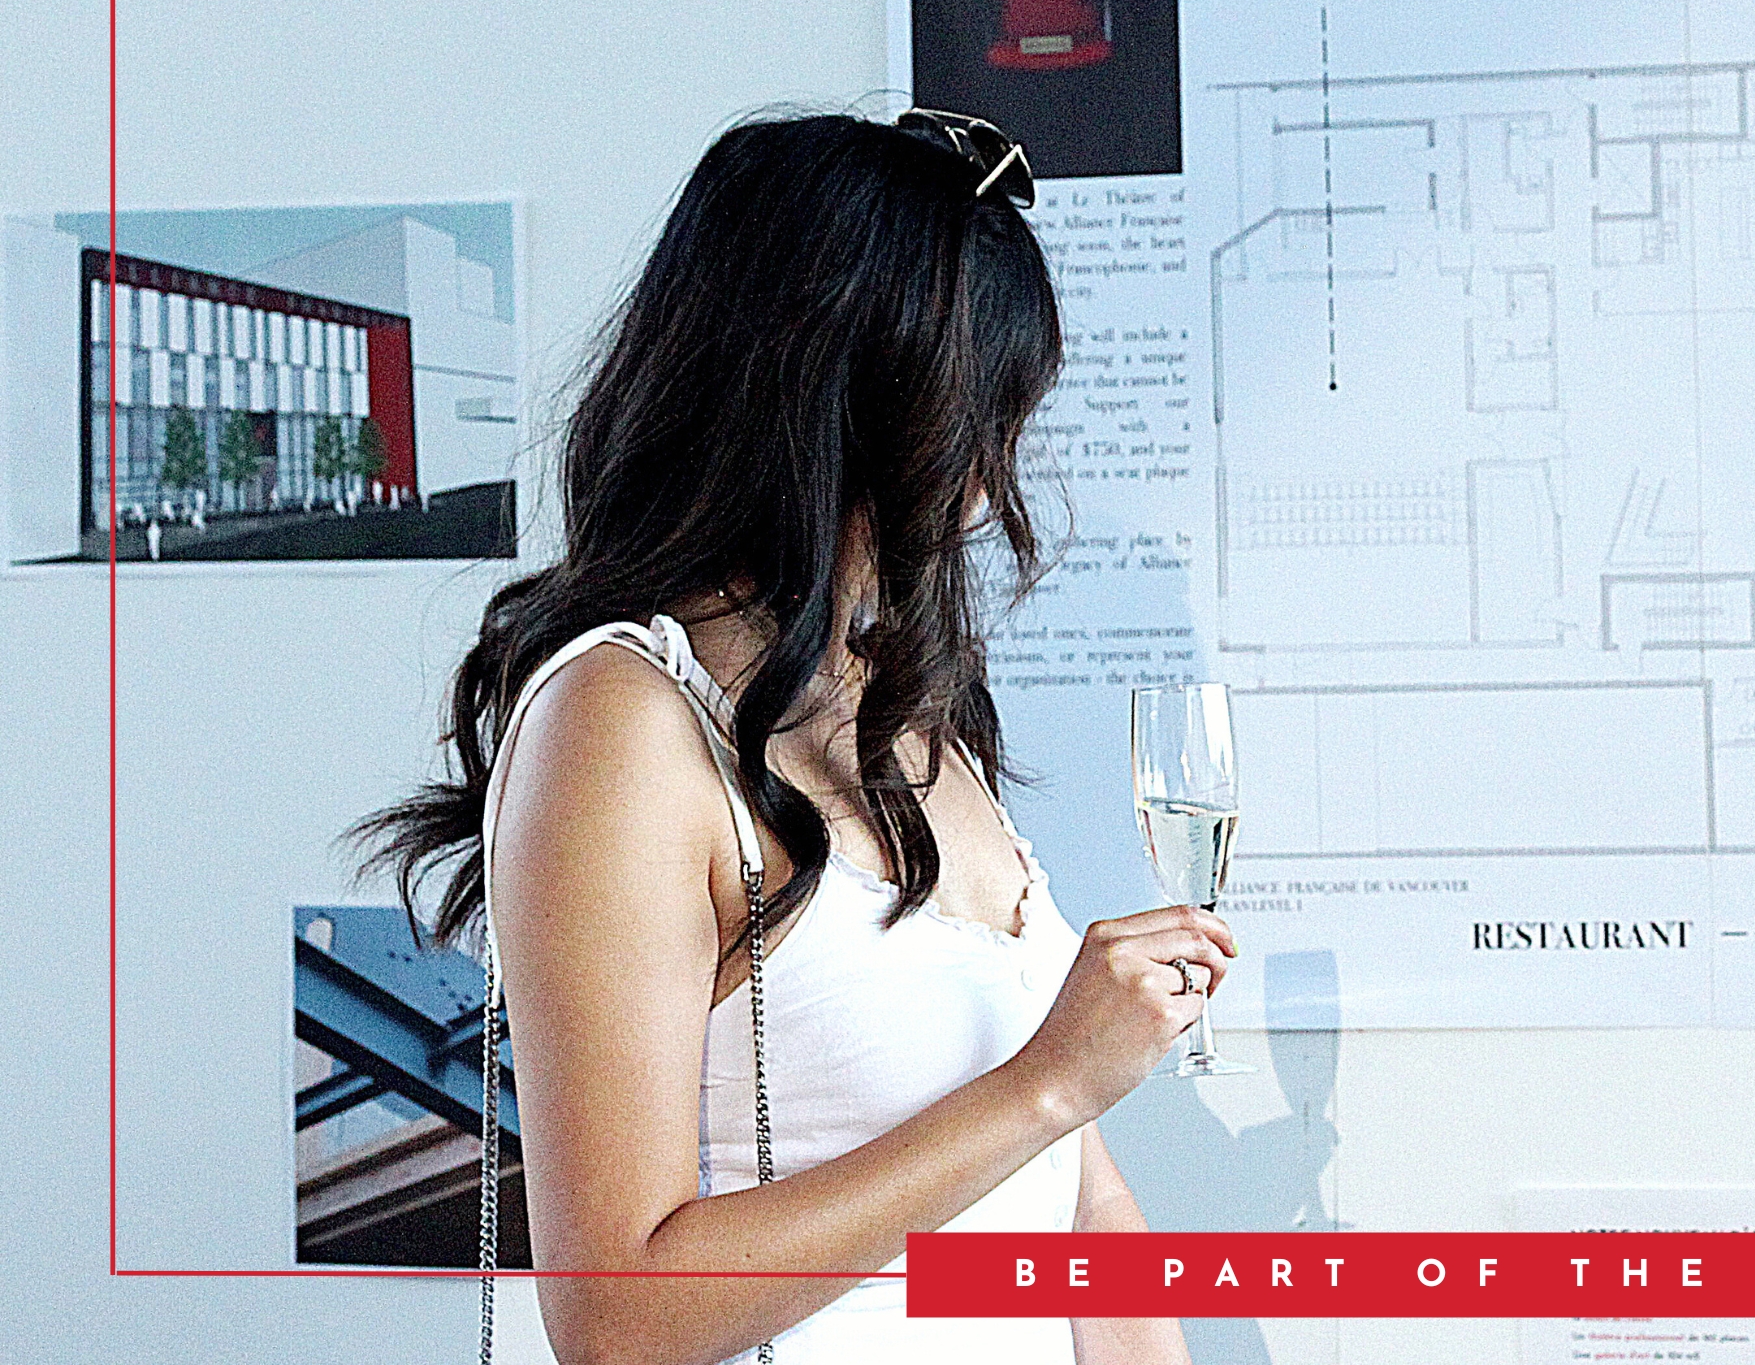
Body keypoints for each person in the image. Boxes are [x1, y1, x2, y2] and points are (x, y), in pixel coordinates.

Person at [359, 109, 1229, 1365]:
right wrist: (1050, 1081)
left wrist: (1059, 1095)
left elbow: (1079, 1211)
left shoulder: (901, 706)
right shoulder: (622, 722)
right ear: (845, 401)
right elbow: (616, 1317)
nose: (994, 478)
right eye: (978, 415)